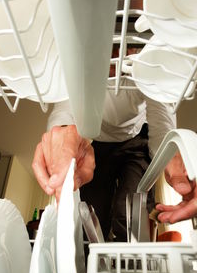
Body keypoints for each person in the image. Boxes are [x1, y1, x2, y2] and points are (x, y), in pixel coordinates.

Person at [33, 69, 195, 242]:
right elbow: (66, 104)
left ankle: (133, 263)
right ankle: (91, 261)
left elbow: (161, 119)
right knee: (92, 212)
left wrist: (173, 161)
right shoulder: (80, 65)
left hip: (137, 140)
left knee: (131, 212)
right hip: (99, 142)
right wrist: (62, 131)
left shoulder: (149, 65)